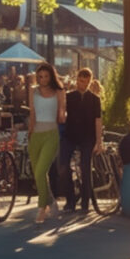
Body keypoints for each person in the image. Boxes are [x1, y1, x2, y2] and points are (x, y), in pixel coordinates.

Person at [61, 68, 102, 213]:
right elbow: (62, 114)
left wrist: (99, 141)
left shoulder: (95, 99)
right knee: (63, 164)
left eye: (84, 82)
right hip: (70, 135)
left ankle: (85, 201)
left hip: (87, 137)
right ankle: (70, 200)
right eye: (79, 80)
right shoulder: (69, 96)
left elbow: (98, 121)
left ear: (89, 82)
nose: (81, 84)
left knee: (86, 168)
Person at [28, 62, 65, 223]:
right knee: (37, 174)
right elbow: (32, 113)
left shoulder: (59, 91)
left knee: (40, 171)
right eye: (40, 77)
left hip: (51, 134)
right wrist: (29, 133)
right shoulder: (33, 91)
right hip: (35, 135)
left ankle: (41, 208)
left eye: (45, 76)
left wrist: (64, 115)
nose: (42, 79)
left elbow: (62, 114)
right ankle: (50, 201)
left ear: (51, 76)